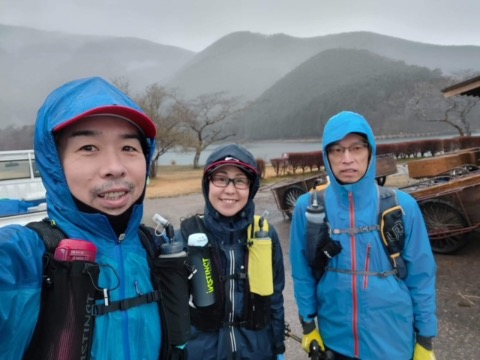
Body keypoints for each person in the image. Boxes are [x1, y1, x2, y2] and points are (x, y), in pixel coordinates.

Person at [0, 77, 189, 359]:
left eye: (128, 148)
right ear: (54, 164)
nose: (114, 168)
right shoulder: (25, 256)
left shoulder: (154, 249)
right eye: (88, 148)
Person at [290, 111, 437, 360]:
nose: (347, 159)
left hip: (393, 342)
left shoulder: (402, 206)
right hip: (335, 342)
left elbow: (422, 276)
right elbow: (302, 272)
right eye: (337, 150)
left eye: (356, 148)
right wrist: (308, 325)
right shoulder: (308, 207)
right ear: (326, 156)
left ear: (370, 151)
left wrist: (425, 338)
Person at [177, 144, 286, 360]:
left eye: (240, 180)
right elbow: (173, 308)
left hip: (258, 352)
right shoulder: (186, 237)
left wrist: (279, 346)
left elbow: (275, 299)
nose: (229, 189)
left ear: (251, 187)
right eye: (221, 178)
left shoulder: (265, 235)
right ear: (207, 184)